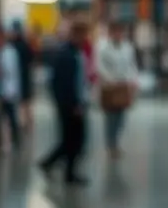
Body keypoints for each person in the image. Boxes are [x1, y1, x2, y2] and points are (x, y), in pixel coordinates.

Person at [39, 19, 90, 185]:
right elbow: (62, 83)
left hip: (77, 102)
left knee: (73, 140)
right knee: (72, 139)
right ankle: (66, 172)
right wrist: (72, 104)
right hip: (70, 105)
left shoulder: (77, 53)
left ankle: (51, 164)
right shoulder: (65, 54)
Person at [97, 22, 138, 159]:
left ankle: (116, 143)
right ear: (110, 33)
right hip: (110, 86)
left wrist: (133, 80)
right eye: (115, 32)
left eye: (120, 32)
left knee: (121, 118)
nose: (118, 34)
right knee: (110, 117)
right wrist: (110, 79)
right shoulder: (103, 47)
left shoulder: (128, 47)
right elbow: (99, 65)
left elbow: (132, 65)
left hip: (123, 85)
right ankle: (110, 145)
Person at [0, 24, 22, 150]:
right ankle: (7, 141)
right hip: (3, 89)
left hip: (8, 90)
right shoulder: (1, 51)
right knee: (5, 117)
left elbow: (10, 71)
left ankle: (15, 140)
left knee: (10, 117)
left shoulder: (9, 52)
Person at [10, 21, 36, 129]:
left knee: (23, 103)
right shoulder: (25, 44)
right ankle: (28, 123)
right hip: (24, 76)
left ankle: (25, 123)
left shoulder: (14, 45)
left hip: (20, 76)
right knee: (25, 102)